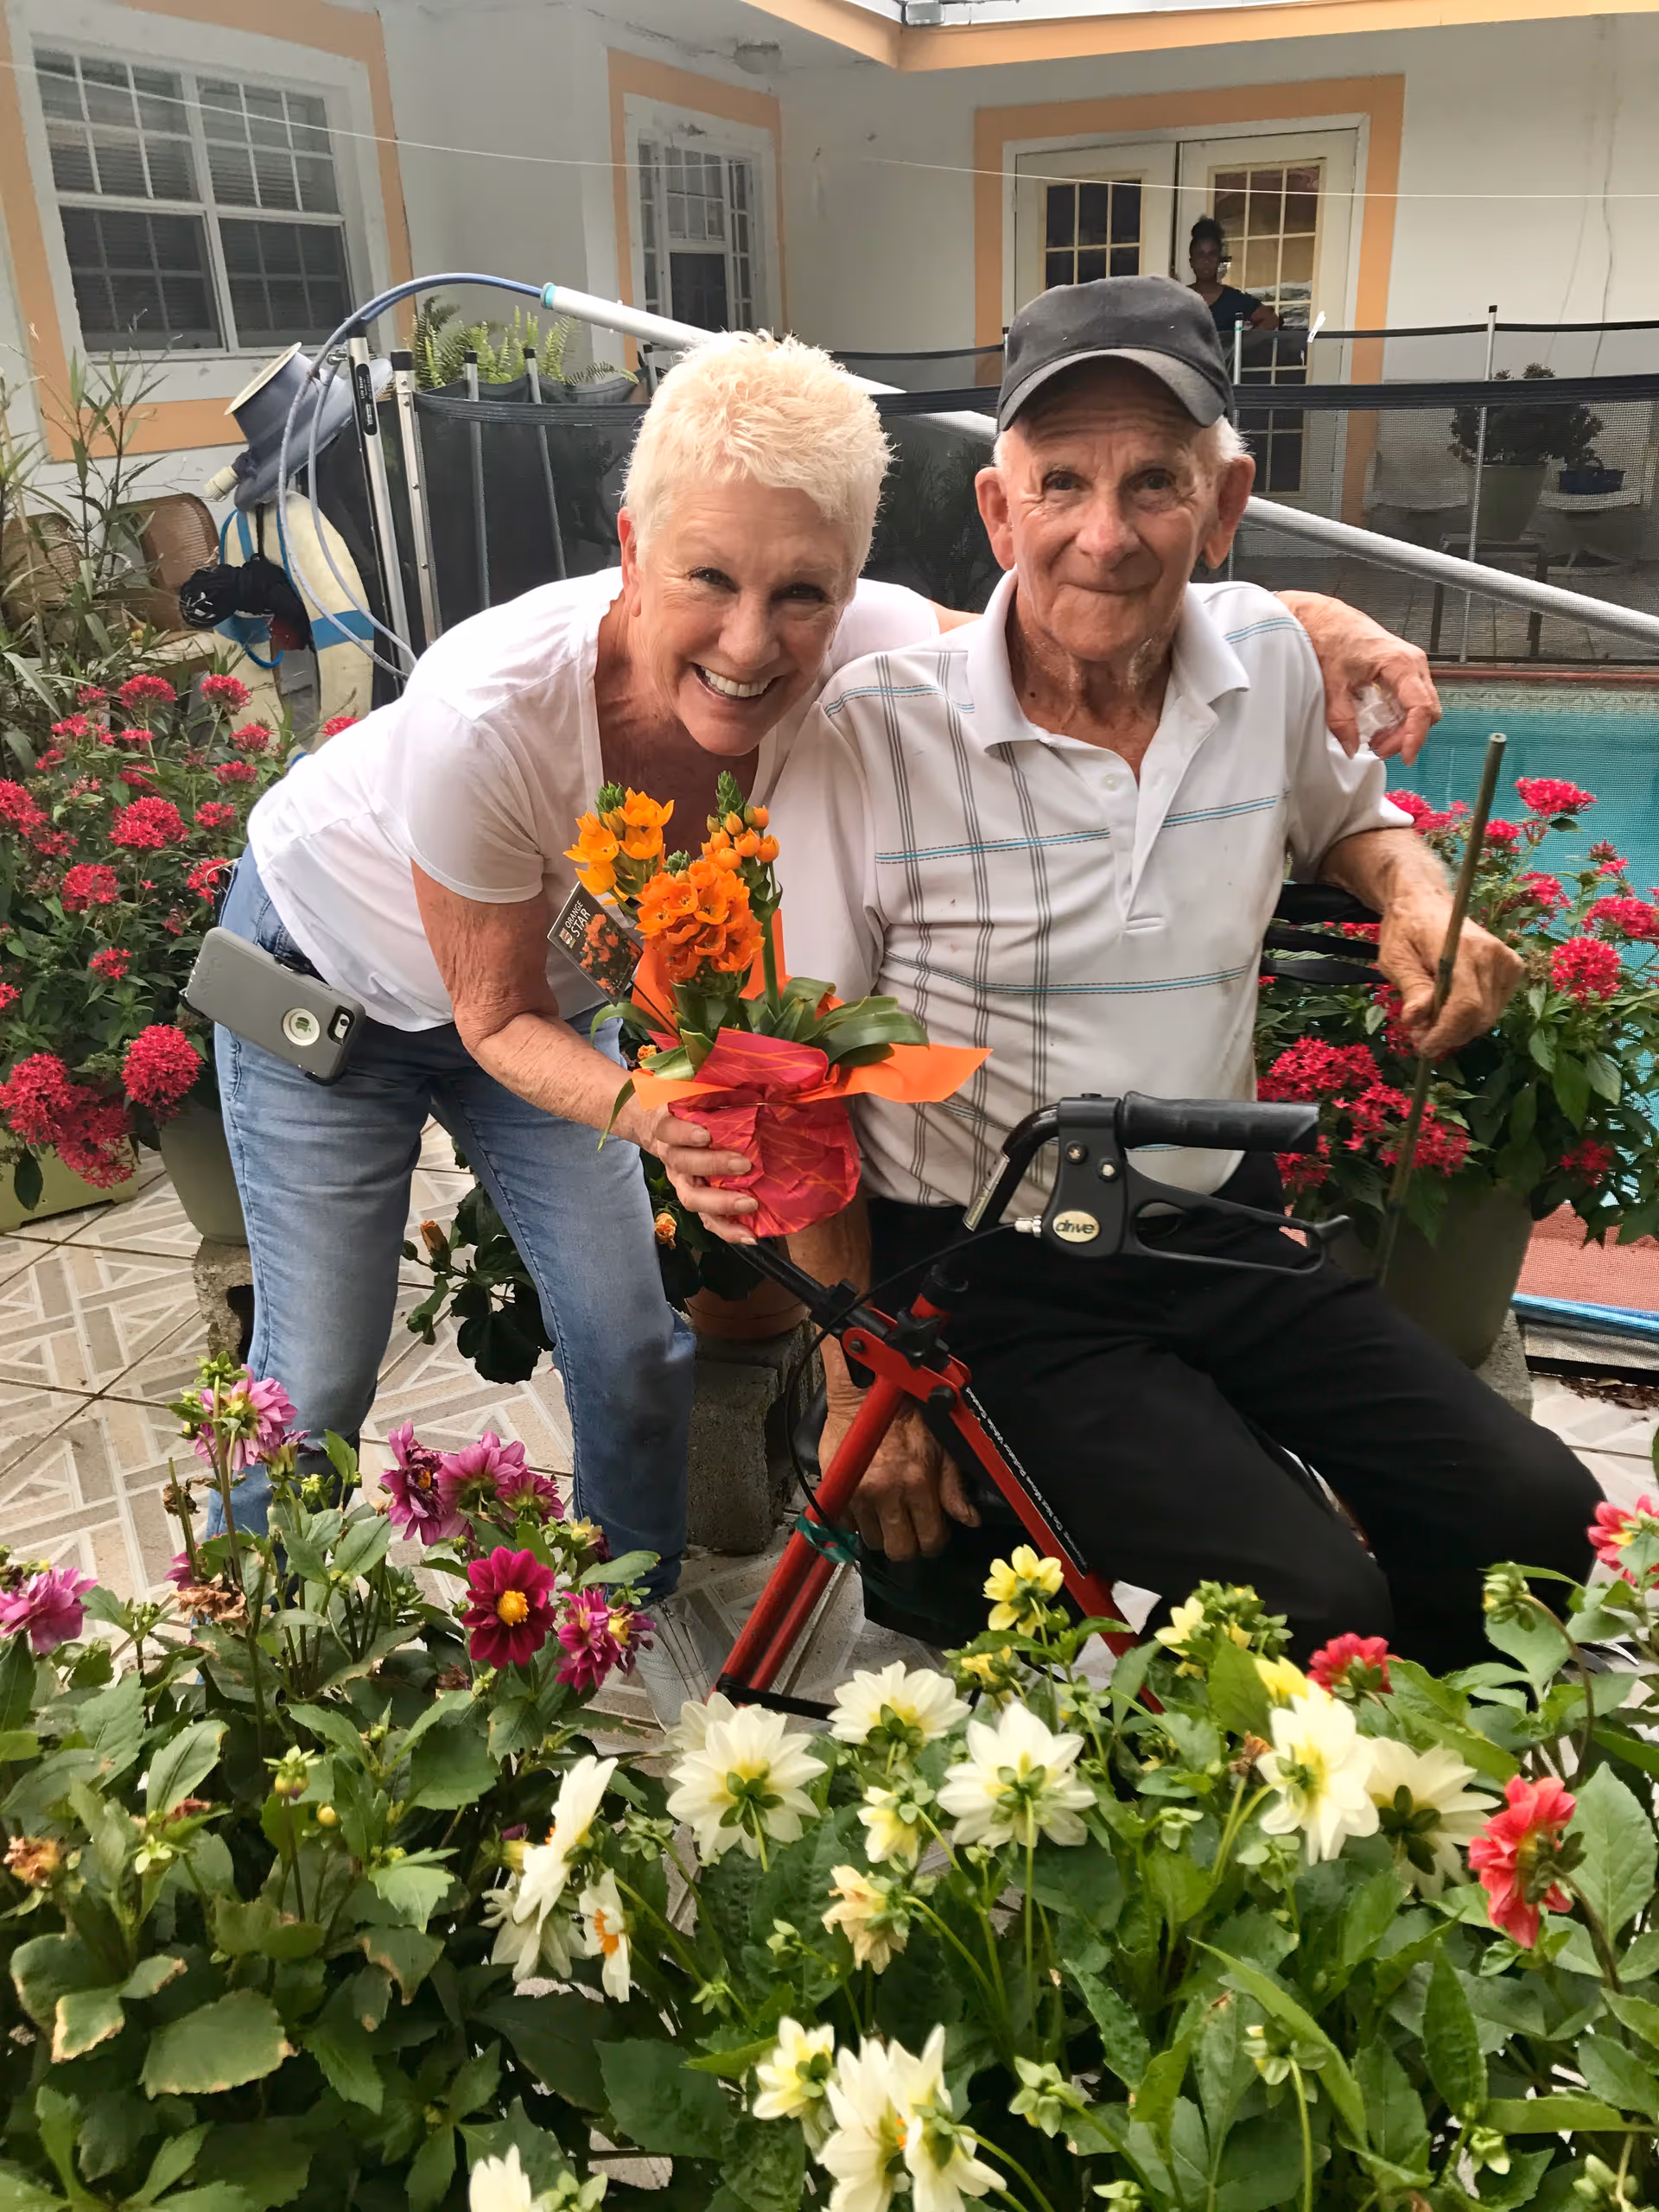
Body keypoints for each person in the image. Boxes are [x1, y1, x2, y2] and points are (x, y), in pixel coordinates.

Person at [215, 327, 1445, 1717]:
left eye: (801, 592)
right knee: (317, 1367)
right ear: (633, 550)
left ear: (849, 584)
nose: (752, 643)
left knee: (631, 1346)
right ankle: (250, 1658)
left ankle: (613, 1620)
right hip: (333, 982)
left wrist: (1308, 620)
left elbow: (1082, 607)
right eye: (708, 580)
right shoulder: (487, 714)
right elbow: (489, 1015)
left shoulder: (868, 640)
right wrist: (658, 1109)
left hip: (549, 1000)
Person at [762, 277, 1599, 1673]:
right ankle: (1287, 1770)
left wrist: (1416, 893)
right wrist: (860, 1370)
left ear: (1223, 506)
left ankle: (1424, 1772)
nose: (1106, 533)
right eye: (1064, 483)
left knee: (1538, 1514)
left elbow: (1349, 819)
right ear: (1000, 513)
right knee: (1312, 1598)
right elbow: (799, 1082)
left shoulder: (1267, 659)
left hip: (1215, 1227)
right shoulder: (872, 736)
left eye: (1155, 481)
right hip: (990, 1271)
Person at [1188, 214, 1279, 342]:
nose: (1206, 260)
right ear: (1191, 262)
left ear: (1219, 260)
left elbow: (1271, 319)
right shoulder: (1180, 296)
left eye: (1212, 254)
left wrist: (1241, 345)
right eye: (1200, 255)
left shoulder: (1233, 299)